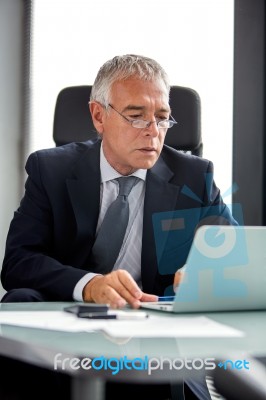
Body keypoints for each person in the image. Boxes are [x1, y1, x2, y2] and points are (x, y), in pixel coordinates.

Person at [1, 54, 237, 399]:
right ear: (99, 116)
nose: (153, 132)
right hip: (68, 318)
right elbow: (18, 263)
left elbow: (233, 252)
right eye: (137, 116)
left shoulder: (194, 176)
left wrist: (205, 269)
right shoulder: (49, 170)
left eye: (162, 118)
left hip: (155, 330)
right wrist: (90, 285)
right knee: (19, 300)